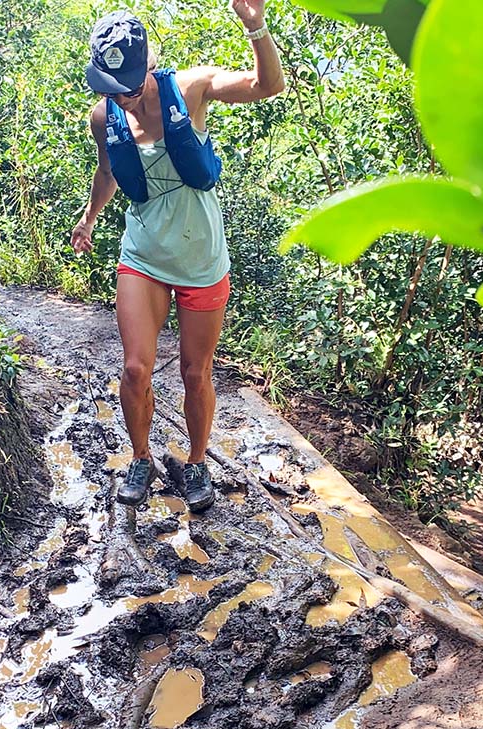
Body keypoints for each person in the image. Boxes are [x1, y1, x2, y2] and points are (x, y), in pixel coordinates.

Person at [70, 1, 284, 513]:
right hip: (142, 255)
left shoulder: (188, 88)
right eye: (112, 87)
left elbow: (267, 85)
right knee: (135, 370)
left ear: (148, 65)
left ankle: (196, 463)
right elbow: (109, 172)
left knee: (195, 372)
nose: (123, 96)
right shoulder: (105, 115)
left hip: (201, 260)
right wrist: (89, 217)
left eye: (131, 84)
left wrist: (254, 25)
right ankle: (141, 458)